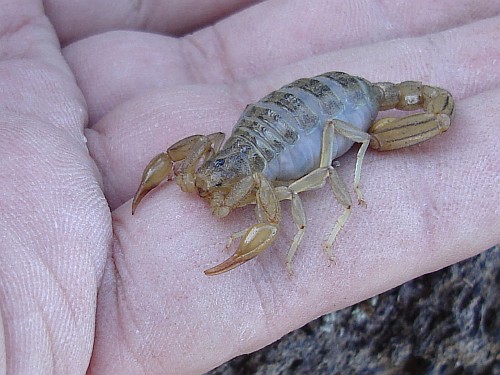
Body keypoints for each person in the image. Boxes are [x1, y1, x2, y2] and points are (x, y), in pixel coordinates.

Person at [0, 1, 498, 374]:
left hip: (339, 108)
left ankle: (370, 149)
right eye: (212, 179)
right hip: (275, 119)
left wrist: (308, 224)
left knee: (330, 155)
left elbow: (285, 212)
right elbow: (186, 154)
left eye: (218, 184)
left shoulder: (269, 188)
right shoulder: (219, 156)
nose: (213, 192)